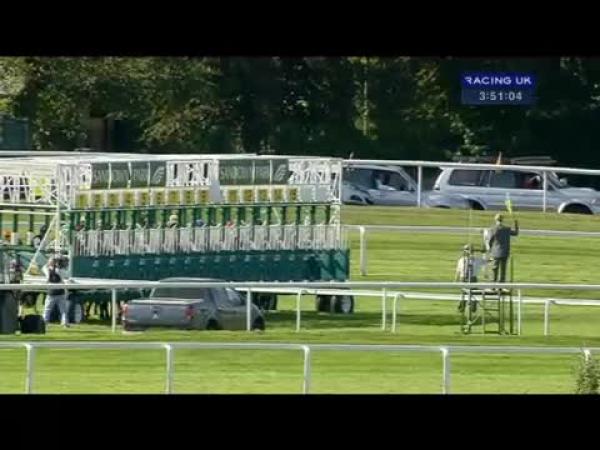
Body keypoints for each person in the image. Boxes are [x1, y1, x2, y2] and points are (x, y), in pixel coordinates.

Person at [486, 213, 519, 283]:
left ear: (495, 219)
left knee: (494, 269)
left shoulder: (493, 229)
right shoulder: (507, 229)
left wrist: (490, 249)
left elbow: (490, 241)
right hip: (505, 252)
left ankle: (493, 284)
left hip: (495, 252)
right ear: (502, 220)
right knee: (503, 270)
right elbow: (516, 233)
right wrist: (516, 224)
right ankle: (501, 285)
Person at [43, 257, 69, 328]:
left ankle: (44, 322)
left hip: (52, 292)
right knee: (63, 310)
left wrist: (50, 262)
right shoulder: (60, 270)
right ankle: (65, 323)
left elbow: (44, 267)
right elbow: (65, 276)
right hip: (60, 292)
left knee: (47, 309)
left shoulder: (47, 269)